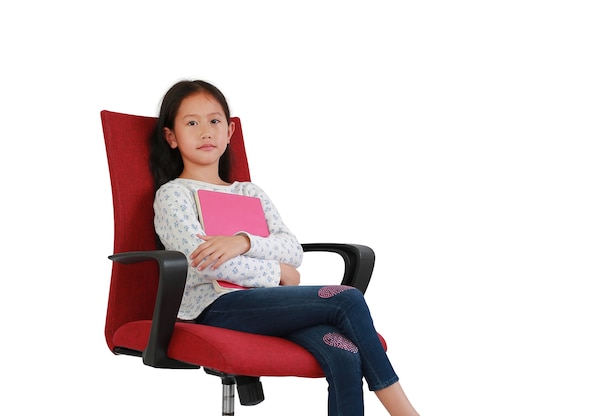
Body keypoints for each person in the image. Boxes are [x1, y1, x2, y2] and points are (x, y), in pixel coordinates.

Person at [150, 79, 420, 416]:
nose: (206, 131)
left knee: (343, 351)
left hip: (266, 305)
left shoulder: (250, 192)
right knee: (346, 298)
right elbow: (205, 264)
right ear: (171, 137)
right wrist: (279, 273)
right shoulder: (174, 195)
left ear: (230, 131)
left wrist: (242, 242)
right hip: (214, 306)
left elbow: (291, 249)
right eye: (192, 123)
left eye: (214, 121)